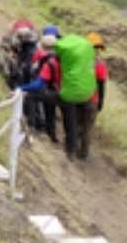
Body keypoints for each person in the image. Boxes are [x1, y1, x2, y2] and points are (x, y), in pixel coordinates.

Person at [52, 33, 98, 161]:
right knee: (85, 126)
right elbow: (100, 84)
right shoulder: (95, 64)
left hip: (72, 95)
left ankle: (72, 149)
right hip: (89, 97)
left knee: (73, 122)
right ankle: (81, 152)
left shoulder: (69, 62)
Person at [19, 32, 61, 142]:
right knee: (50, 109)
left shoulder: (46, 59)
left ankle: (32, 125)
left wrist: (21, 87)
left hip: (48, 89)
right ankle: (51, 134)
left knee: (31, 97)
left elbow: (38, 83)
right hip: (60, 90)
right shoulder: (61, 58)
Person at [0, 19, 37, 90]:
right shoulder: (29, 26)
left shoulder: (14, 30)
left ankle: (14, 81)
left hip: (19, 38)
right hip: (29, 40)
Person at [87, 32, 108, 115]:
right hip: (91, 101)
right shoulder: (99, 65)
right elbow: (101, 86)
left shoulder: (77, 60)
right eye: (97, 47)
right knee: (86, 128)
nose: (98, 50)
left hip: (75, 98)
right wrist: (100, 103)